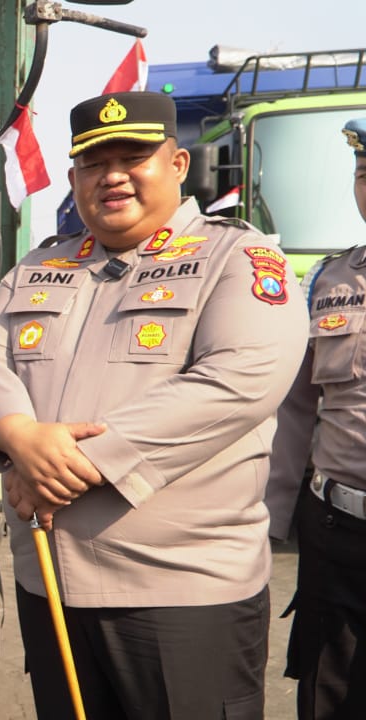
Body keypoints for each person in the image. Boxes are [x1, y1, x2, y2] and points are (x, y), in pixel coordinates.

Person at [0, 91, 309, 720]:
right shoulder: (39, 265)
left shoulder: (235, 256)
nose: (112, 175)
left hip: (182, 594)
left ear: (177, 164)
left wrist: (68, 463)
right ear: (73, 179)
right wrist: (18, 436)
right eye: (94, 163)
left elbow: (242, 377)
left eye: (134, 156)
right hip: (52, 583)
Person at [267, 117, 366, 720]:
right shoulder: (328, 281)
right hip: (337, 533)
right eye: (363, 173)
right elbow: (294, 411)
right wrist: (269, 522)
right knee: (329, 696)